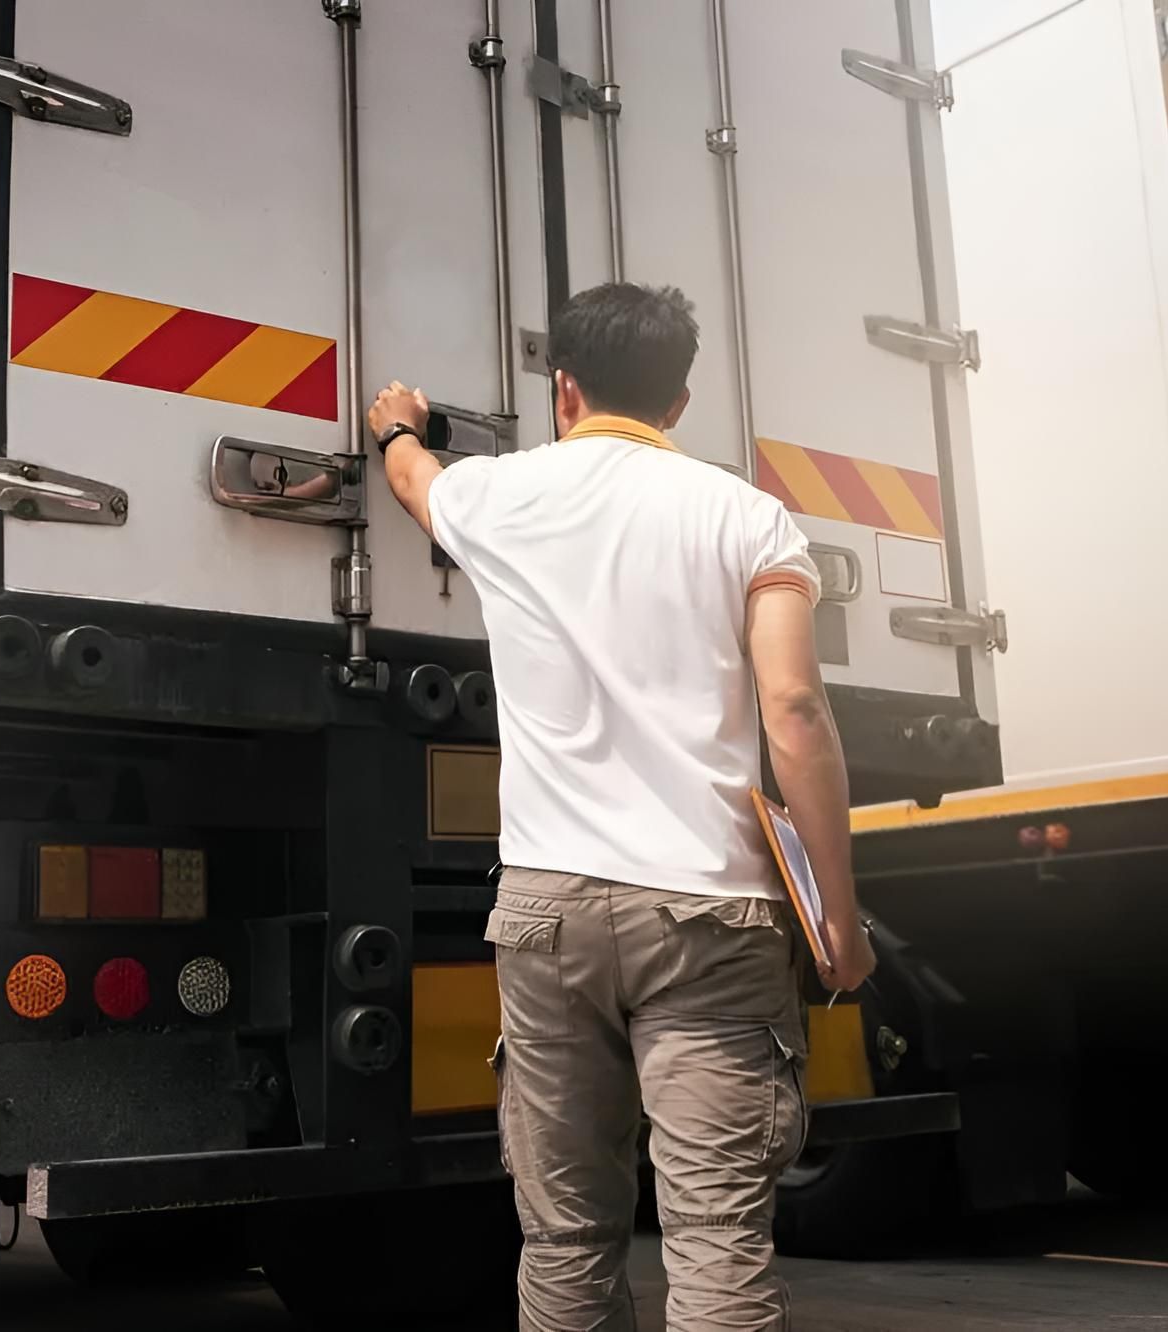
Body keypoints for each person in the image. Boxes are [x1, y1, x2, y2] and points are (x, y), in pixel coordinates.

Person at [367, 283, 876, 1332]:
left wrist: (399, 430)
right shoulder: (747, 516)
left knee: (565, 1240)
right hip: (709, 918)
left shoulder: (504, 496)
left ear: (564, 389)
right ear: (680, 400)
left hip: (548, 916)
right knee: (717, 1240)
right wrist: (838, 916)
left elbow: (419, 485)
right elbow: (795, 711)